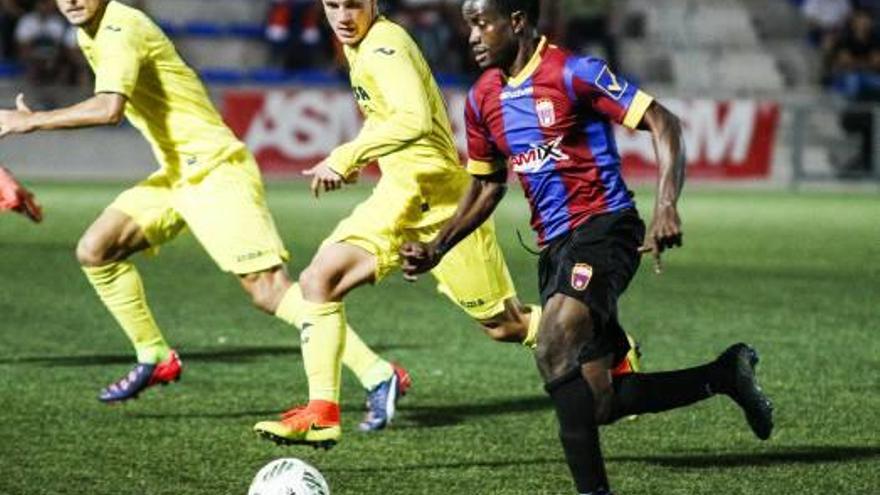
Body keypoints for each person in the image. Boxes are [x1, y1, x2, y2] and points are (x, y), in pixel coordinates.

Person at [400, 1, 775, 493]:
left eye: (480, 23)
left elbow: (664, 122)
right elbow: (488, 186)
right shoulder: (482, 99)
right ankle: (724, 374)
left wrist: (666, 206)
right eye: (467, 23)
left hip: (606, 228)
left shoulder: (575, 73)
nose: (470, 35)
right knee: (598, 402)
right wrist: (438, 246)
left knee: (553, 343)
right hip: (555, 248)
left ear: (516, 21)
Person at [0, 0, 413, 433]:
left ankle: (377, 374)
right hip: (178, 173)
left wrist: (31, 122)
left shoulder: (120, 28)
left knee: (269, 291)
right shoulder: (92, 31)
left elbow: (109, 109)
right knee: (96, 249)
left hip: (216, 171)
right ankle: (155, 355)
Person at [252, 0, 615, 448]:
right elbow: (386, 119)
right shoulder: (359, 46)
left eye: (352, 5)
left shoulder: (385, 47)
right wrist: (360, 155)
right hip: (399, 197)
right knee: (318, 280)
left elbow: (413, 118)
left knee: (504, 325)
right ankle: (321, 412)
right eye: (332, 5)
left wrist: (347, 155)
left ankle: (607, 345)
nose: (343, 16)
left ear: (373, 3)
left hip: (442, 205)